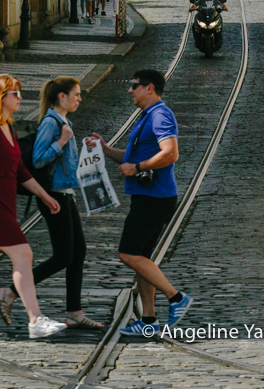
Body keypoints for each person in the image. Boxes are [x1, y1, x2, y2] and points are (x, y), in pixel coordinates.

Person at [0, 74, 65, 340]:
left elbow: (20, 170)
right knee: (24, 255)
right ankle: (35, 319)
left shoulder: (7, 126)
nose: (19, 97)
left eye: (19, 92)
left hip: (5, 205)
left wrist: (43, 195)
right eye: (14, 93)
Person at [90, 67, 192, 338]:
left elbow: (171, 153)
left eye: (134, 85)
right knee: (142, 259)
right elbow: (134, 156)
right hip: (148, 196)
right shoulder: (147, 116)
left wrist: (137, 167)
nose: (130, 90)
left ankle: (176, 297)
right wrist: (106, 149)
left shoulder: (160, 115)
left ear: (150, 88)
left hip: (154, 197)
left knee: (128, 254)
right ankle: (148, 320)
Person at [0, 77, 104, 332]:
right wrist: (62, 141)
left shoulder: (65, 122)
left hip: (65, 193)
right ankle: (9, 292)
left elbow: (66, 164)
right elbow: (39, 159)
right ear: (61, 97)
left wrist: (85, 149)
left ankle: (75, 312)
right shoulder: (51, 123)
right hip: (53, 195)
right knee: (64, 255)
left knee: (78, 252)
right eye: (75, 94)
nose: (79, 98)